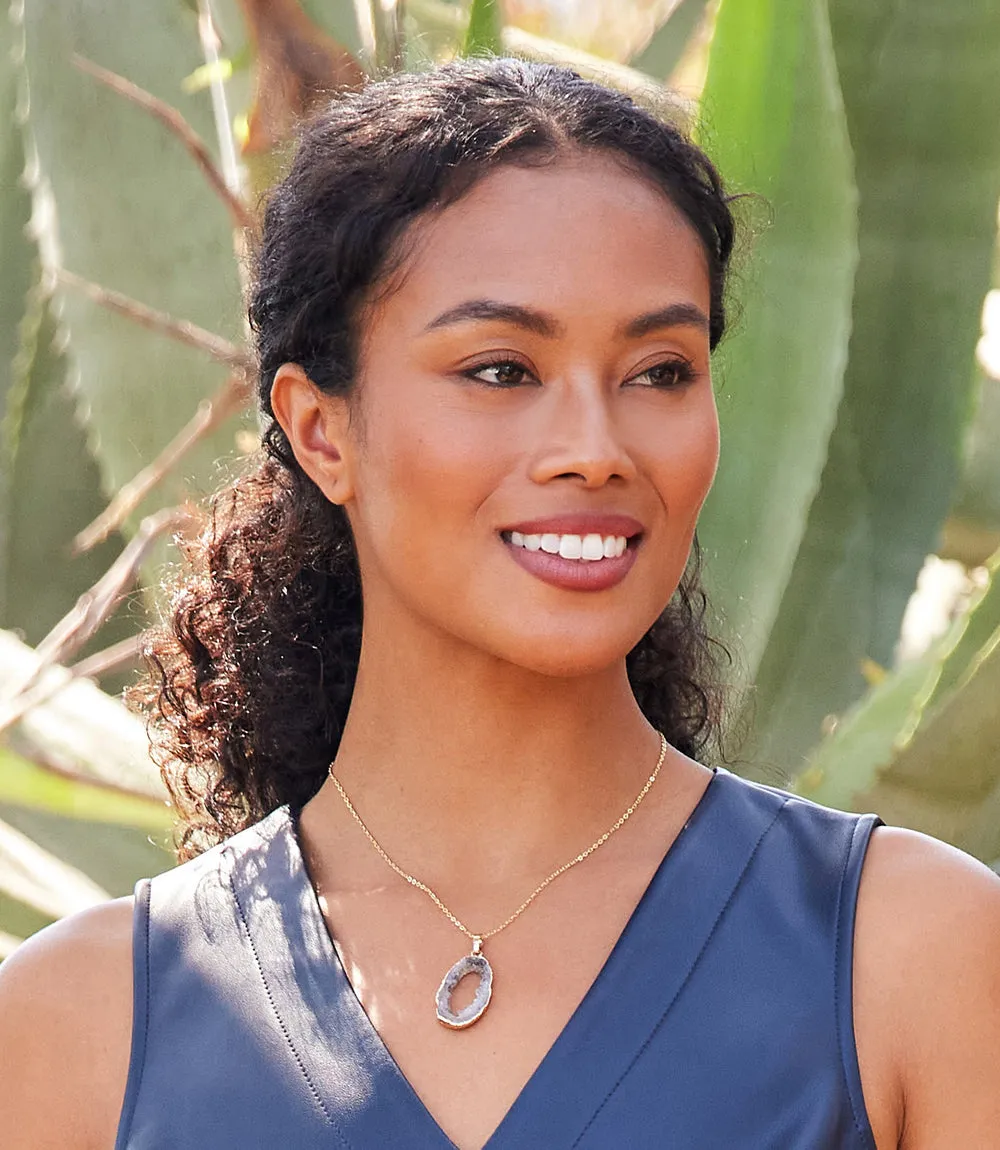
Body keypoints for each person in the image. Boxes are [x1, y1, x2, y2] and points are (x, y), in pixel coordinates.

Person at [1, 57, 998, 1150]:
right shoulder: (76, 1030)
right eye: (500, 369)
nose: (594, 449)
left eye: (659, 369)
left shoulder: (908, 959)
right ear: (322, 429)